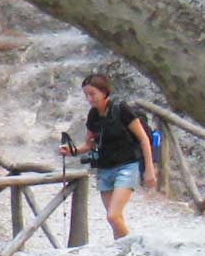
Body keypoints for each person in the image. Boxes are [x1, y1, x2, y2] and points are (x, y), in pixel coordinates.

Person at [59, 73, 157, 240]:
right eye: (86, 95)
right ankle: (123, 254)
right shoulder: (93, 116)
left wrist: (149, 169)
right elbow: (88, 145)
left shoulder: (121, 110)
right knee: (115, 219)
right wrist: (72, 151)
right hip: (104, 169)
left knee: (113, 215)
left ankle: (134, 250)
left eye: (92, 94)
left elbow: (143, 139)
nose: (89, 99)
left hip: (127, 166)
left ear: (104, 92)